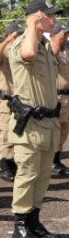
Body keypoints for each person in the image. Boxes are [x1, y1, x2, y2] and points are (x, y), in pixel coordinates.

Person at [8, 0, 62, 238]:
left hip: (49, 124)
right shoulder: (24, 43)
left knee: (42, 177)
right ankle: (20, 225)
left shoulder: (47, 48)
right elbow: (27, 54)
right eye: (49, 15)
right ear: (36, 17)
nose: (54, 19)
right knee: (28, 175)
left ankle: (33, 221)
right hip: (30, 124)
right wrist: (31, 25)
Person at [0, 22, 24, 182]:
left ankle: (16, 163)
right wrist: (8, 40)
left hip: (22, 101)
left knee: (19, 133)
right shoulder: (4, 52)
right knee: (6, 134)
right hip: (7, 100)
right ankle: (6, 166)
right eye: (18, 34)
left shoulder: (21, 51)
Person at [50, 23, 69, 174]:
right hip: (57, 97)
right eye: (64, 35)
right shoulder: (52, 50)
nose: (66, 37)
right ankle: (53, 162)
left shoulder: (63, 53)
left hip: (66, 98)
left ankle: (56, 160)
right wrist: (58, 39)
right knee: (56, 130)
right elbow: (53, 52)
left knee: (64, 130)